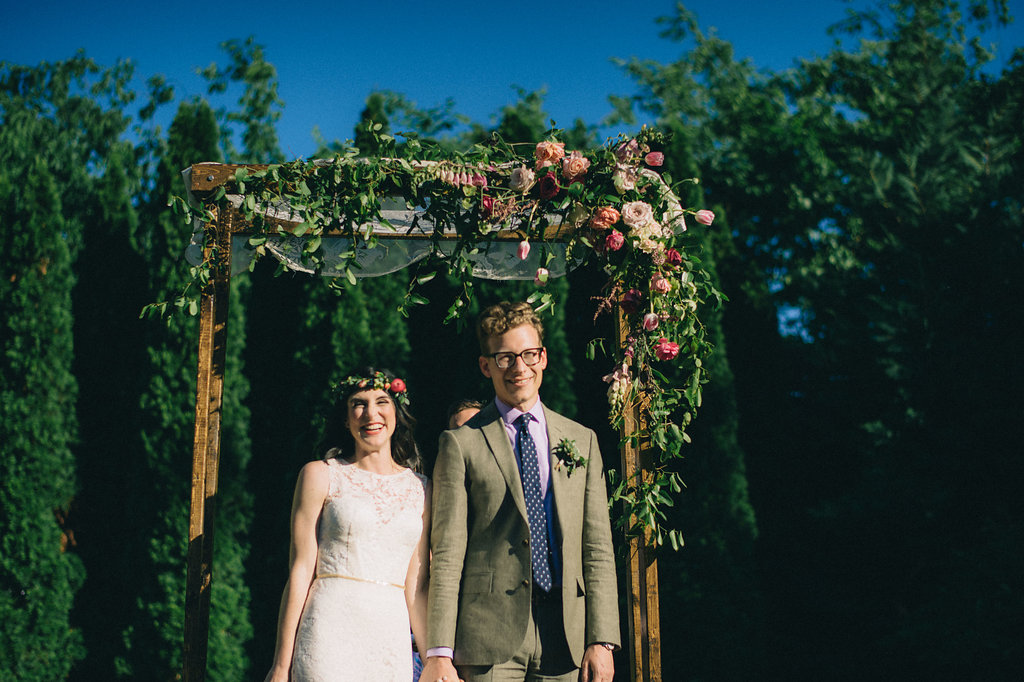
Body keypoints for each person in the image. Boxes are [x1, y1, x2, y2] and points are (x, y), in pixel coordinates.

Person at [423, 302, 620, 682]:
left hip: (566, 636)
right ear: (486, 365)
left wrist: (603, 639)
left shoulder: (583, 440)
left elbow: (597, 547)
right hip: (486, 638)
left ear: (542, 357)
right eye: (505, 358)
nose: (519, 368)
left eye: (529, 354)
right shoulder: (460, 443)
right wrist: (438, 653)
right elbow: (447, 551)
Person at [265, 368, 431, 682]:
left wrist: (432, 660)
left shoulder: (422, 489)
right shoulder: (320, 474)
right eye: (358, 403)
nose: (371, 413)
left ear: (396, 412)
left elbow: (415, 588)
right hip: (329, 631)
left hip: (389, 641)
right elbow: (301, 571)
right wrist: (281, 665)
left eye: (381, 401)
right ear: (345, 418)